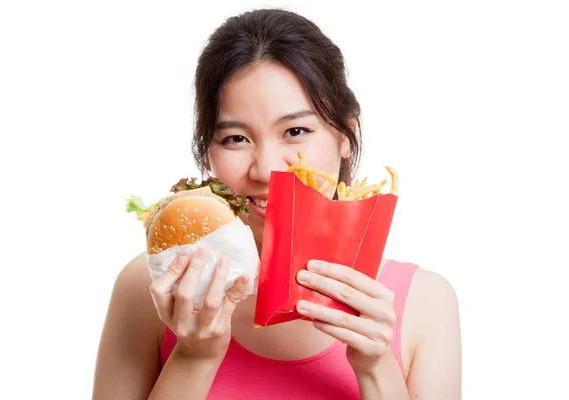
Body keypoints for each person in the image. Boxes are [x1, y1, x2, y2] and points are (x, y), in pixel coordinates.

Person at [92, 8, 462, 399]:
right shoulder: (153, 288)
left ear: (345, 137)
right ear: (208, 153)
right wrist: (194, 358)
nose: (267, 170)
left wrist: (376, 367)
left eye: (296, 131)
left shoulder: (425, 302)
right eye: (235, 138)